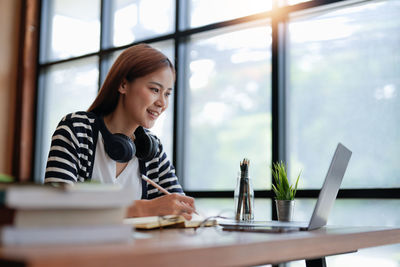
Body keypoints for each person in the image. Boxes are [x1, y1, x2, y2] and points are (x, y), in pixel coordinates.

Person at [44, 43, 195, 220]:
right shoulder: (76, 129)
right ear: (123, 85)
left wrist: (179, 210)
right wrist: (143, 208)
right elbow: (54, 208)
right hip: (78, 247)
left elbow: (181, 210)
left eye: (167, 94)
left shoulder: (152, 149)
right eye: (155, 90)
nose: (163, 103)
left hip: (140, 248)